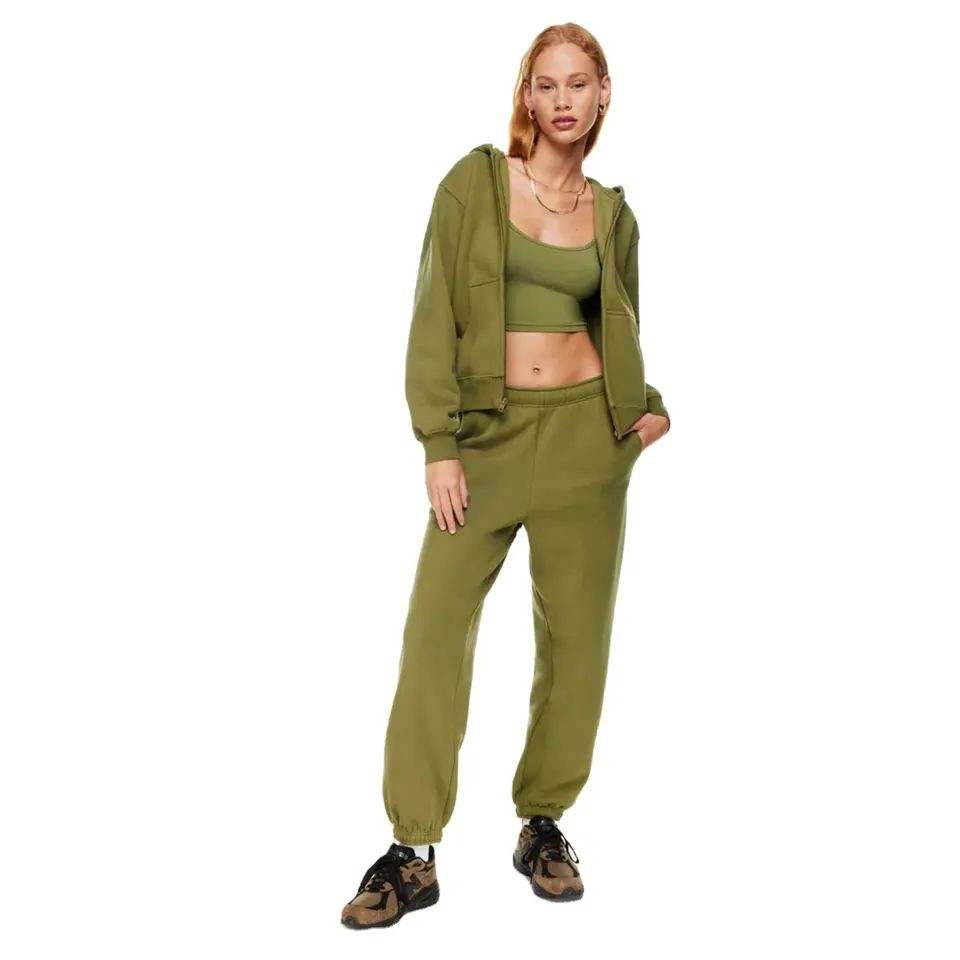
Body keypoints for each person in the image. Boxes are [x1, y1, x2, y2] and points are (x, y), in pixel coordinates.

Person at [341, 23, 671, 929]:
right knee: (433, 636)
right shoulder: (475, 184)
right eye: (547, 84)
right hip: (483, 441)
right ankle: (412, 852)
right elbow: (432, 314)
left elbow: (621, 321)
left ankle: (543, 824)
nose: (563, 100)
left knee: (577, 646)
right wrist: (437, 444)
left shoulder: (614, 215)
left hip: (588, 446)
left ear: (604, 95)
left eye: (580, 83)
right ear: (527, 94)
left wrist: (647, 407)